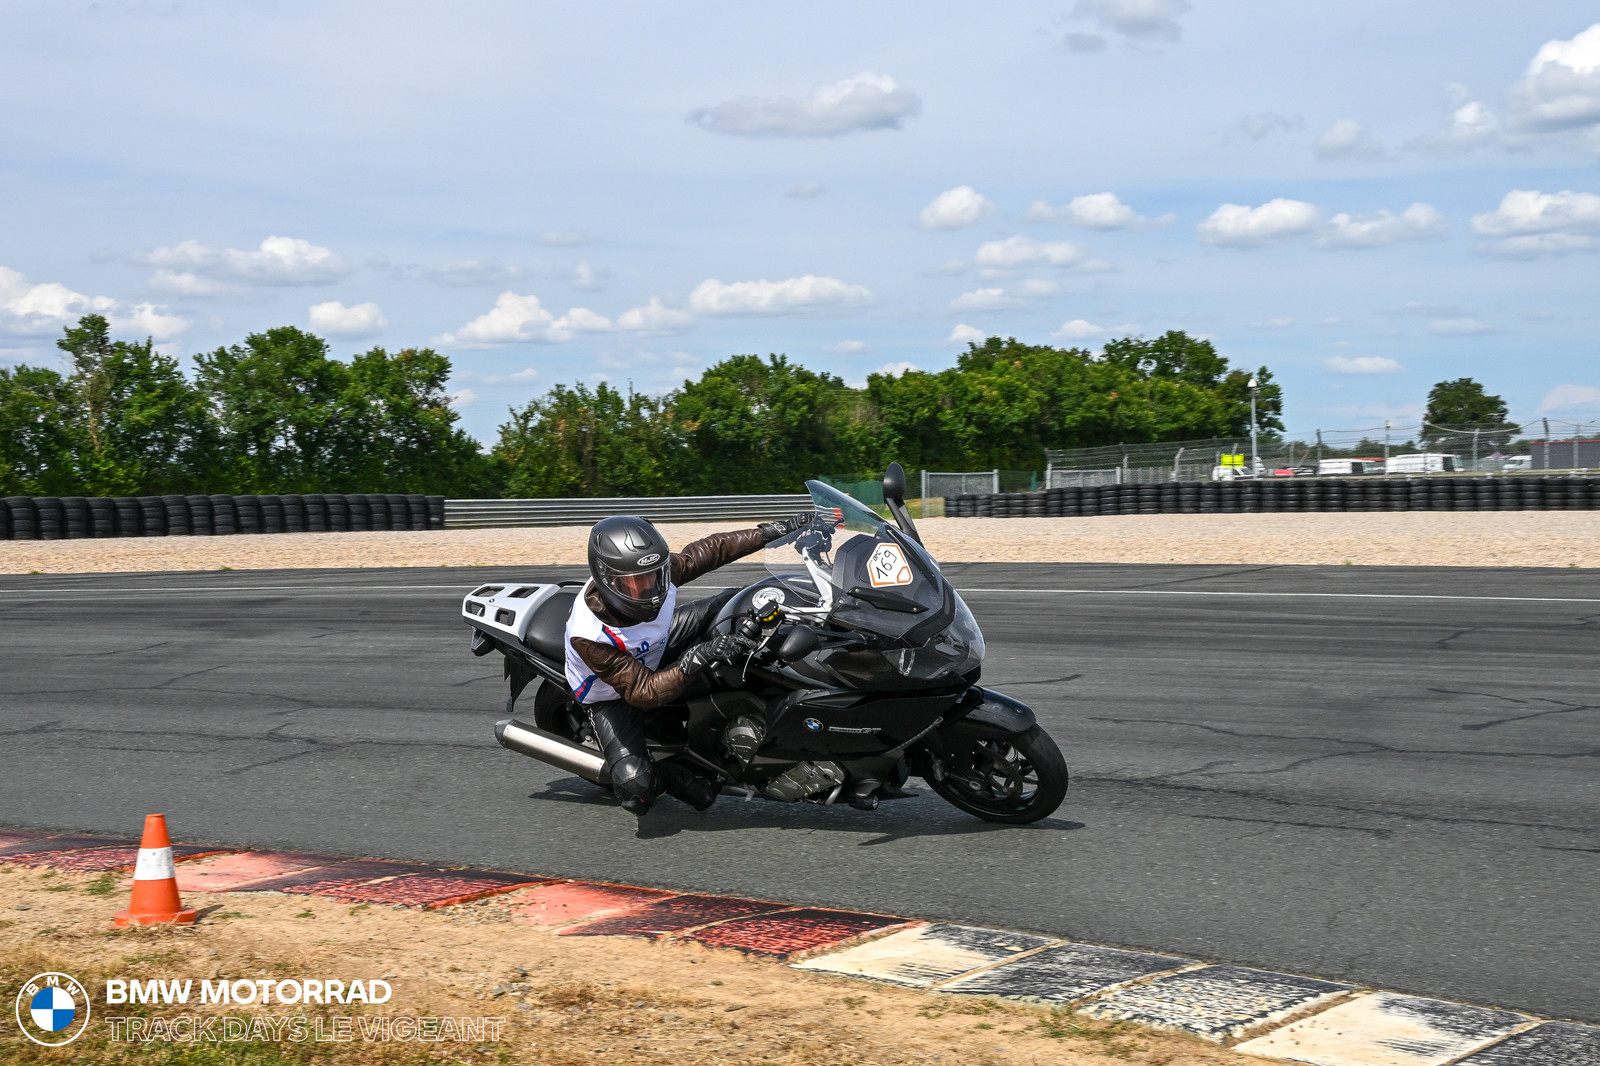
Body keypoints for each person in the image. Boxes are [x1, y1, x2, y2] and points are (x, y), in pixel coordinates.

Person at [565, 511, 819, 815]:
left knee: (737, 603)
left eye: (654, 576)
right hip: (613, 695)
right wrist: (701, 655)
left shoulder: (657, 574)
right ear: (608, 581)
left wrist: (771, 532)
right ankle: (674, 775)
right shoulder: (590, 636)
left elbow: (711, 550)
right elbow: (642, 692)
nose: (649, 587)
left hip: (656, 645)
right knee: (636, 789)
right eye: (635, 583)